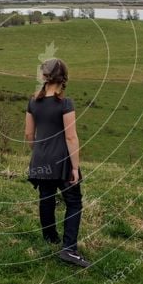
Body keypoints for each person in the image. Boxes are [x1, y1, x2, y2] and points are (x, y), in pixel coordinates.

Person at [25, 58, 91, 268]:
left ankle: (50, 238)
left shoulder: (33, 101)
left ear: (45, 77)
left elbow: (28, 134)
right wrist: (74, 168)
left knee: (46, 198)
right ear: (63, 79)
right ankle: (69, 249)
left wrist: (39, 153)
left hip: (40, 159)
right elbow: (71, 138)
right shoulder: (65, 103)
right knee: (73, 202)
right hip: (62, 160)